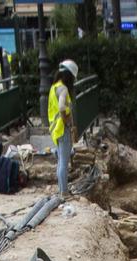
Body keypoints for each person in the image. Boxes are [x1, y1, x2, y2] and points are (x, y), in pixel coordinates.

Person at [48, 58, 78, 196]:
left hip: (55, 130)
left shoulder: (54, 87)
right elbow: (61, 107)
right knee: (64, 163)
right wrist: (67, 118)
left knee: (61, 161)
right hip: (62, 128)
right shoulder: (64, 89)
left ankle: (61, 189)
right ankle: (64, 192)